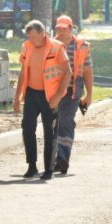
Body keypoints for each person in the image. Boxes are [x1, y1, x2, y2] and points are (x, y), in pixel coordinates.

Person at [14, 20, 71, 180]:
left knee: (49, 133)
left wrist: (58, 95)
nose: (32, 41)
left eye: (34, 37)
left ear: (42, 33)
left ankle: (48, 169)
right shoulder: (27, 47)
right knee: (27, 128)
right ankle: (31, 165)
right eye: (29, 37)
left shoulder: (56, 47)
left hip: (50, 96)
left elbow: (68, 72)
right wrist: (17, 97)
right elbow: (23, 72)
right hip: (31, 94)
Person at [53, 15, 93, 175]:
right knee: (55, 124)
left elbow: (88, 71)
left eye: (64, 28)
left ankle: (63, 157)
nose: (61, 32)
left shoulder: (82, 46)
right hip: (54, 91)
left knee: (66, 121)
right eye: (59, 29)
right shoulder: (51, 44)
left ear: (71, 28)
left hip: (72, 91)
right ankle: (56, 158)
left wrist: (89, 94)